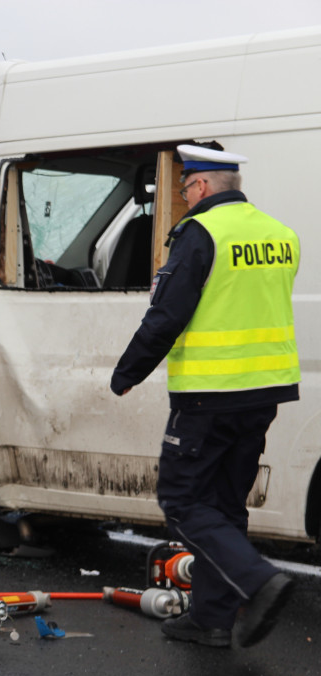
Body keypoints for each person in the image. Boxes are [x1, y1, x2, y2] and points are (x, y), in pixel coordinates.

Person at [111, 144, 299, 648]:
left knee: (182, 500)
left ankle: (258, 580)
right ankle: (212, 619)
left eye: (184, 189)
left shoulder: (201, 232)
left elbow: (167, 314)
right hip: (263, 392)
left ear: (199, 186)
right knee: (225, 503)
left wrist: (127, 372)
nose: (184, 198)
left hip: (208, 394)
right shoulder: (280, 234)